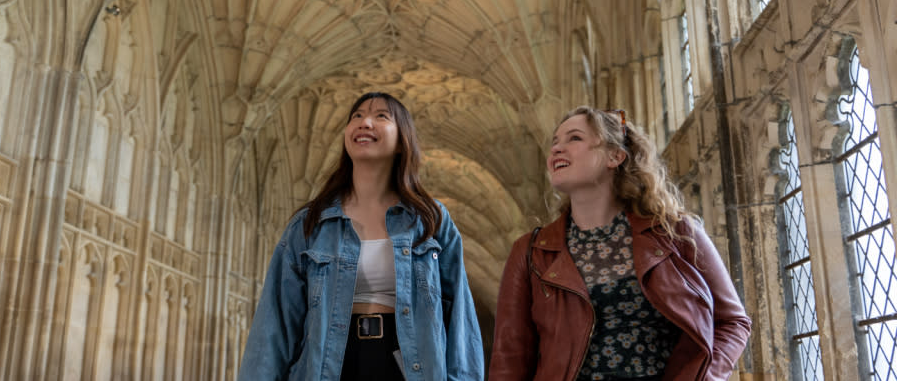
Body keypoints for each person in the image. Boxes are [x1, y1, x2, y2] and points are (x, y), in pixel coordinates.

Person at [489, 107, 751, 381]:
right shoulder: (531, 252)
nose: (556, 149)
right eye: (555, 142)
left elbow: (732, 322)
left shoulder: (676, 232)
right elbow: (509, 358)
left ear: (615, 156)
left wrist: (703, 379)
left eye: (574, 138)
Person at [240, 92, 484, 381]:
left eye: (381, 116)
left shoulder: (430, 220)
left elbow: (460, 321)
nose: (365, 122)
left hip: (407, 368)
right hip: (329, 369)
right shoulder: (310, 223)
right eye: (357, 115)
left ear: (402, 141)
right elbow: (274, 325)